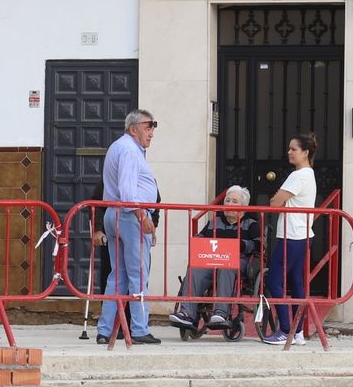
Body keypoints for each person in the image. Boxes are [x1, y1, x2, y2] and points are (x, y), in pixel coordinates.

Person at [96, 110, 161, 345]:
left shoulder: (120, 147)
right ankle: (139, 329)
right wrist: (142, 215)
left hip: (115, 215)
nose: (152, 131)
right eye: (148, 126)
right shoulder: (130, 150)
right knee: (138, 274)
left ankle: (105, 329)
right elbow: (127, 189)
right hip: (129, 216)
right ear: (133, 129)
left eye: (153, 126)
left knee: (118, 275)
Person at [171, 185, 258, 330]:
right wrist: (198, 241)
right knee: (195, 267)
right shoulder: (214, 222)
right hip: (212, 259)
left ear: (243, 206)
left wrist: (240, 245)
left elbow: (258, 245)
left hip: (238, 261)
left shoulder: (251, 224)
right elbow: (200, 238)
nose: (229, 204)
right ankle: (187, 314)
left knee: (227, 267)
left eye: (234, 201)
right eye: (227, 200)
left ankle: (221, 313)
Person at [262, 133, 317, 346]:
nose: (289, 152)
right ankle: (299, 331)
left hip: (292, 236)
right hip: (303, 235)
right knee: (296, 283)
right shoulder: (308, 174)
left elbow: (275, 202)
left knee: (275, 280)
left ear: (305, 152)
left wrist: (280, 197)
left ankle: (286, 330)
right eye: (289, 149)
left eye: (293, 149)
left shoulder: (298, 176)